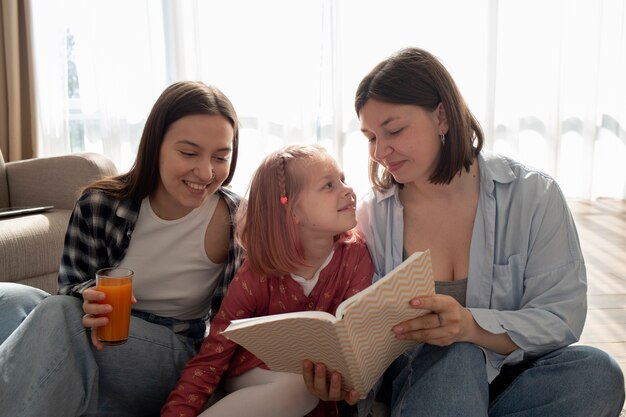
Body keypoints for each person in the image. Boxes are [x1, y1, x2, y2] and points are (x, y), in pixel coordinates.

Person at [302, 47, 626, 417]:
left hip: (510, 376)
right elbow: (360, 333)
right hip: (416, 380)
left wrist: (472, 327)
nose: (380, 151)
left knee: (599, 374)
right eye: (370, 137)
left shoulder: (534, 196)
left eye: (393, 130)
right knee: (456, 356)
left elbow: (561, 316)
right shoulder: (372, 214)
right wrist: (339, 375)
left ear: (442, 116)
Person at [0, 80, 245, 417]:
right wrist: (89, 299)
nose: (205, 172)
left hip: (172, 349)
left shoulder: (236, 221)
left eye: (221, 157)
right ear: (155, 145)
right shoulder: (101, 204)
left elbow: (236, 325)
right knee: (8, 300)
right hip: (104, 335)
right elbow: (71, 288)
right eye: (188, 153)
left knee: (61, 316)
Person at [161, 144, 375, 417]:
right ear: (292, 212)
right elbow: (212, 355)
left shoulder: (356, 255)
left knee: (308, 389)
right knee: (299, 386)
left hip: (316, 379)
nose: (347, 189)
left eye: (343, 179)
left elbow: (355, 340)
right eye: (329, 185)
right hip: (253, 370)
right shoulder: (256, 276)